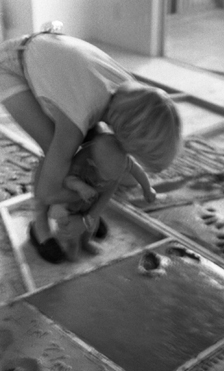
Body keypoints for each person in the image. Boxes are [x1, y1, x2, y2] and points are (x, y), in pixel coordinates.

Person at [0, 22, 181, 263]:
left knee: (93, 146)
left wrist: (87, 215)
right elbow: (48, 189)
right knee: (55, 148)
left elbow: (117, 165)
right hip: (11, 66)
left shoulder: (132, 96)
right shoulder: (78, 117)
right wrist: (80, 202)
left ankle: (79, 214)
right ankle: (40, 226)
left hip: (51, 58)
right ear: (123, 138)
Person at [49, 124, 156, 261]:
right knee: (72, 226)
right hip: (74, 201)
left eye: (117, 174)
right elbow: (68, 180)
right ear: (93, 164)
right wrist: (81, 187)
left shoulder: (121, 159)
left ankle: (86, 241)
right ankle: (73, 243)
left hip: (93, 200)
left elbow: (138, 172)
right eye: (108, 175)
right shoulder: (81, 162)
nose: (113, 179)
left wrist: (147, 188)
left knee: (92, 223)